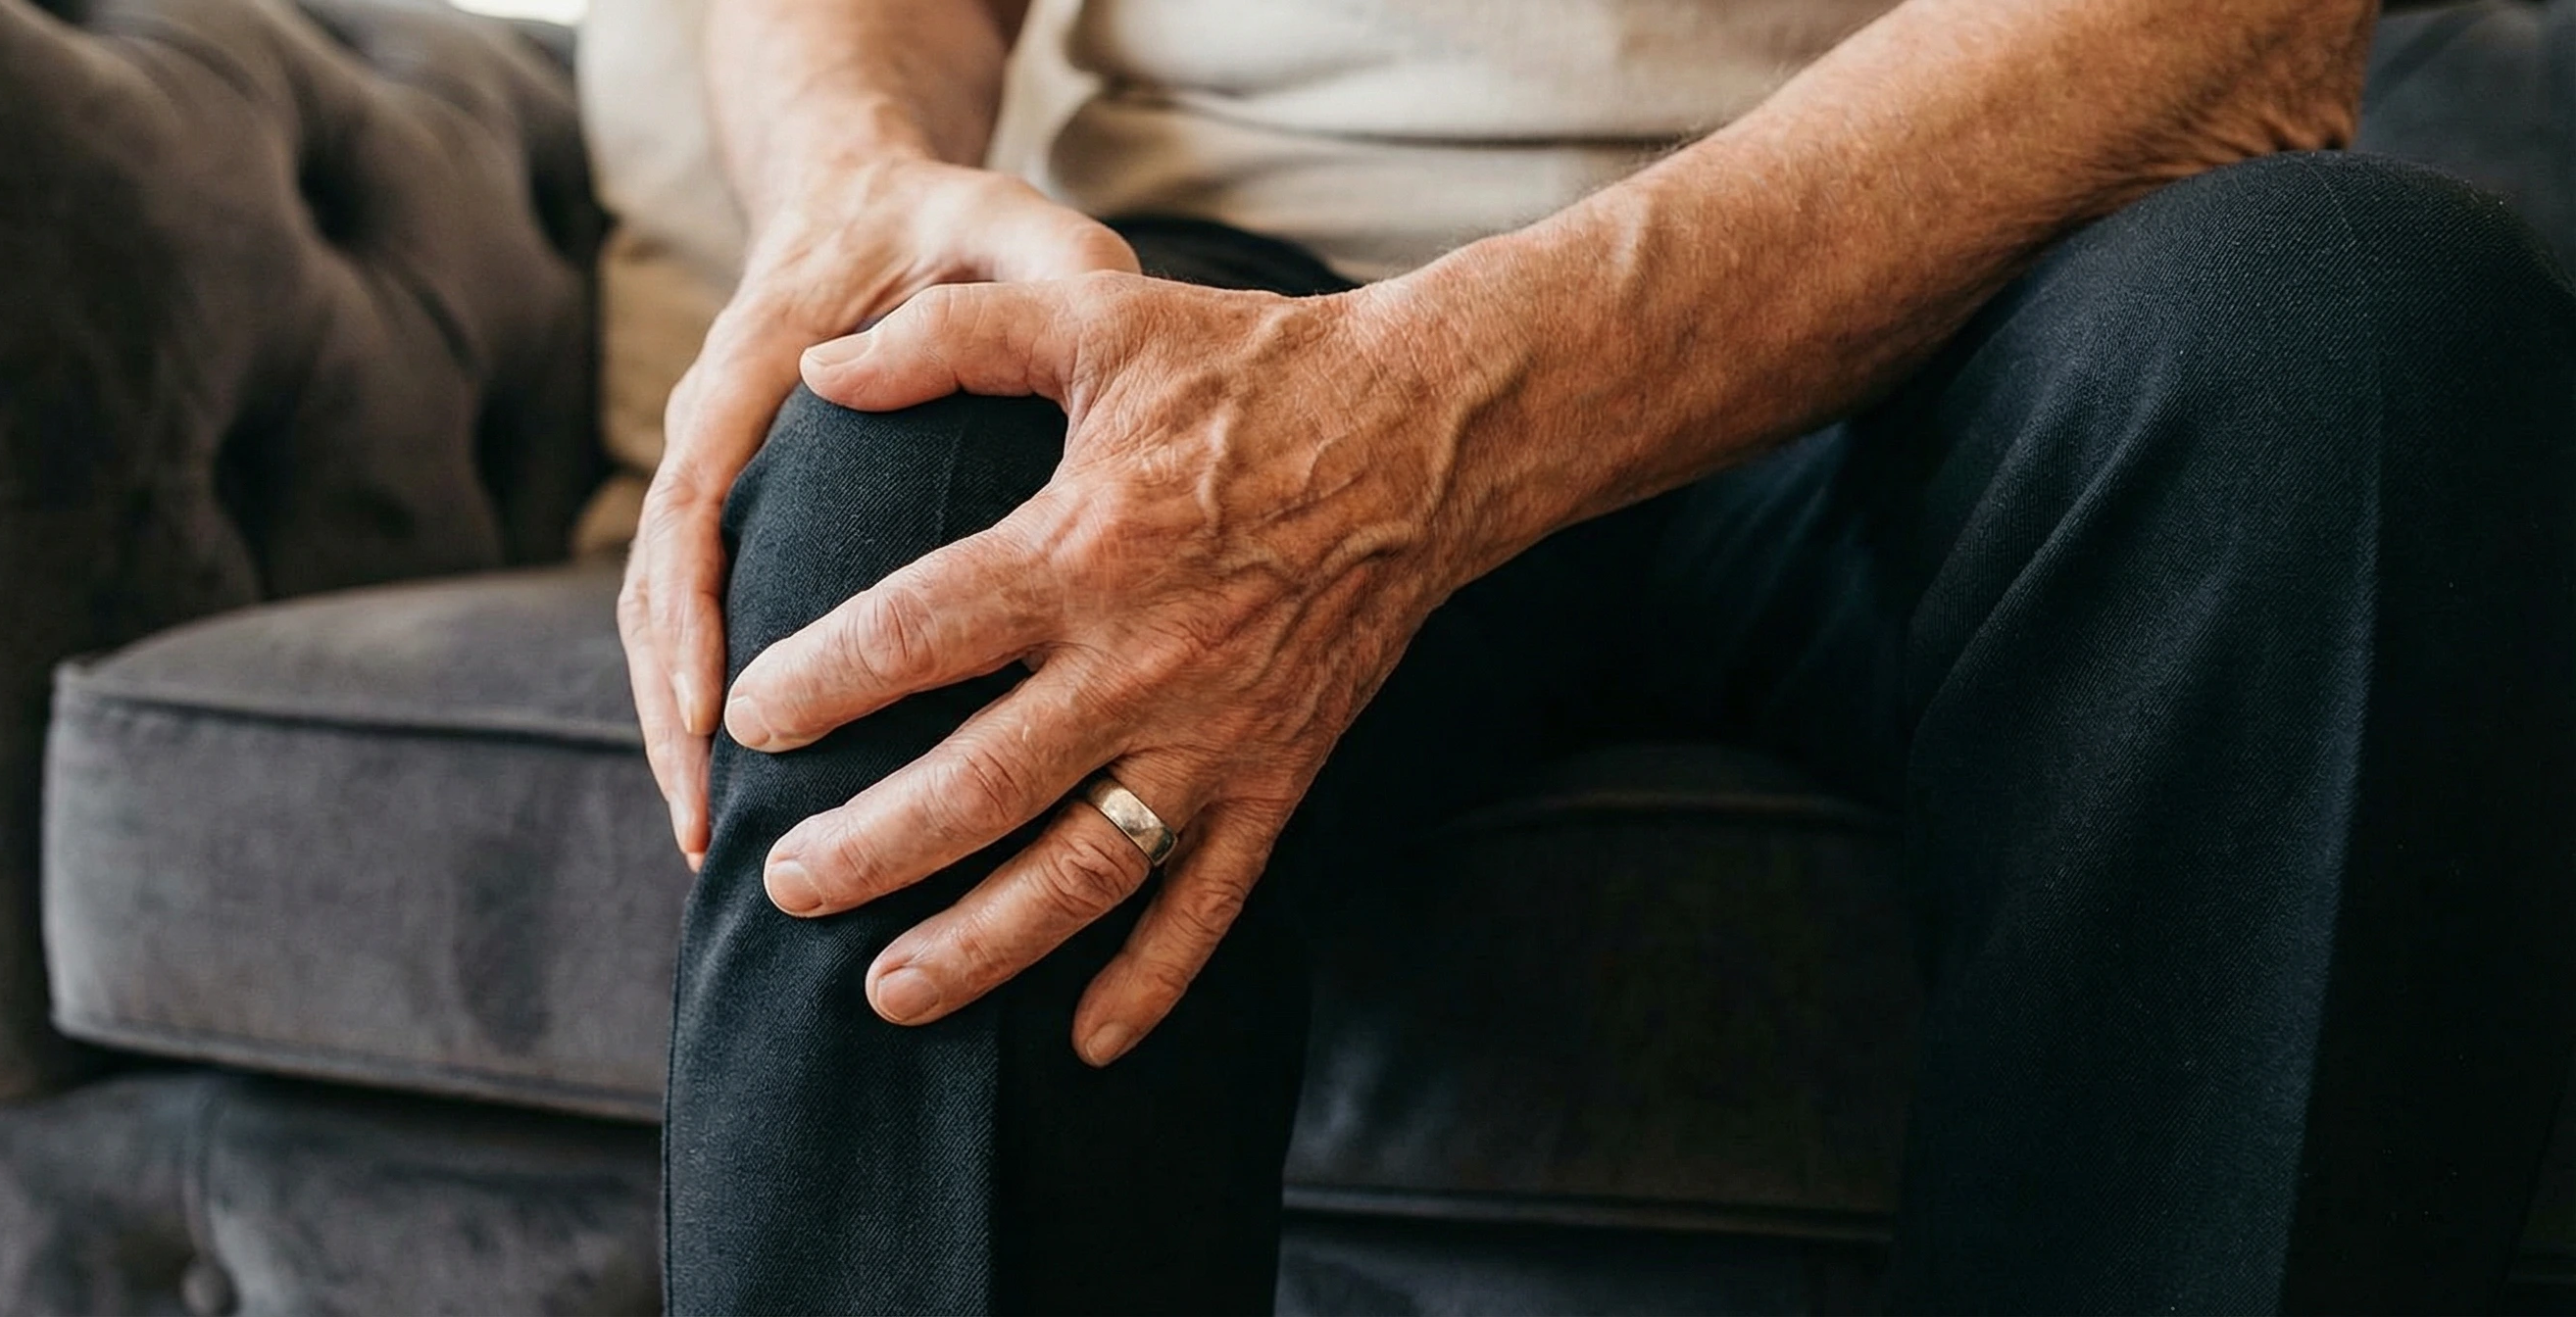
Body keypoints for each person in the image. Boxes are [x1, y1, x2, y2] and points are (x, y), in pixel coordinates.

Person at [614, 0, 2576, 1309]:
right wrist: (849, 171)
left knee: (2360, 349)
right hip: (1236, 292)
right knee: (924, 468)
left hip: (1980, 293)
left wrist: (1428, 414)